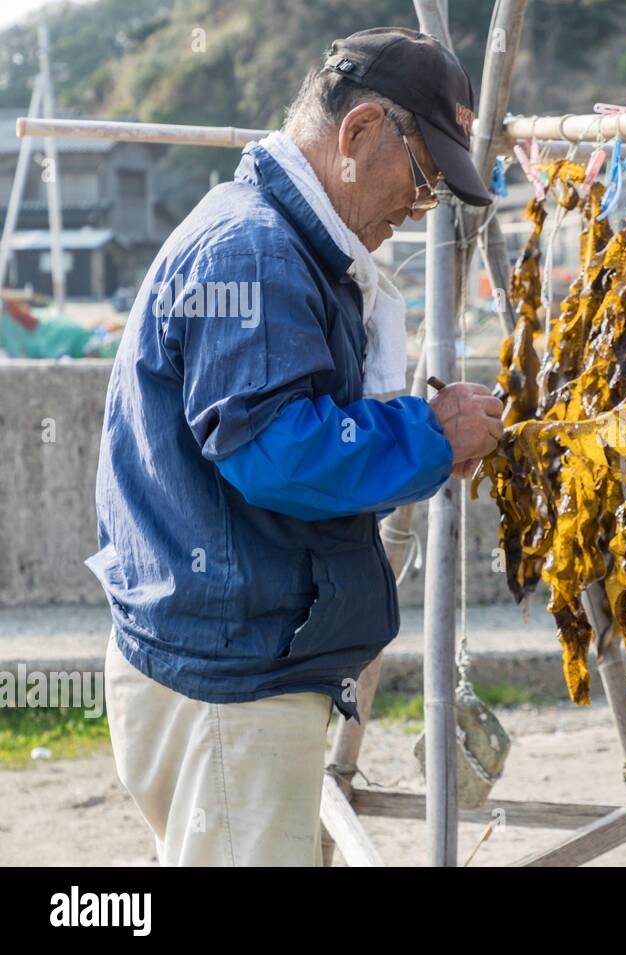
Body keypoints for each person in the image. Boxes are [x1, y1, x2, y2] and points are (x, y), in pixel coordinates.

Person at [92, 28, 502, 866]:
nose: (417, 212)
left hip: (228, 666)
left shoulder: (273, 237)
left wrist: (412, 437)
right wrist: (427, 435)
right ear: (356, 136)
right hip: (230, 682)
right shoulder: (257, 251)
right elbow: (277, 450)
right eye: (423, 181)